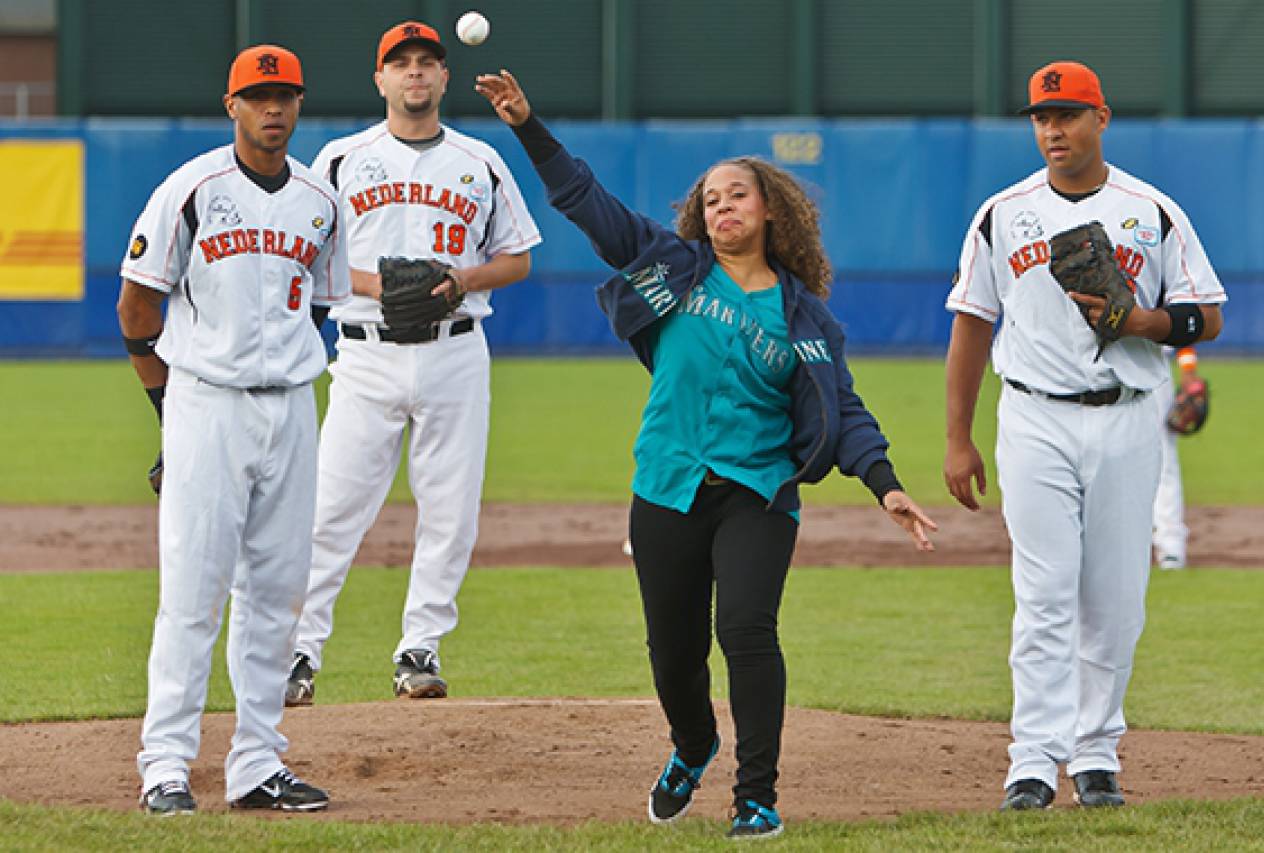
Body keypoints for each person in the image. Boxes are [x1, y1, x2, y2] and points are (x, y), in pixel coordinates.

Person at [475, 69, 937, 839]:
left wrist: (884, 484)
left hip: (757, 491)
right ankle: (694, 744)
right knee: (673, 654)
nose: (722, 205)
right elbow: (583, 200)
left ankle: (756, 794)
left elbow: (843, 408)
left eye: (738, 194)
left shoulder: (806, 317)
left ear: (771, 211)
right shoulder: (672, 267)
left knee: (748, 630)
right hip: (667, 482)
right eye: (711, 197)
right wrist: (528, 124)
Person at [943, 60, 1226, 811]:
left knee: (1116, 599)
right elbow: (971, 322)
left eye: (1067, 114)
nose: (1052, 129)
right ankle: (1032, 762)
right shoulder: (1003, 214)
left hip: (1130, 414)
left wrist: (1145, 323)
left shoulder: (1152, 210)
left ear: (1102, 118)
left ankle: (1096, 752)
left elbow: (1208, 314)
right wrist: (957, 437)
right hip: (1033, 415)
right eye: (1041, 117)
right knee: (1043, 595)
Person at [118, 45, 349, 815]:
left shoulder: (320, 198)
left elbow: (317, 302)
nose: (273, 109)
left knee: (277, 591)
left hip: (291, 406)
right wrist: (167, 415)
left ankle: (256, 762)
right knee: (193, 587)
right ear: (233, 106)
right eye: (259, 96)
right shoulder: (191, 189)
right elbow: (136, 309)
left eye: (285, 95)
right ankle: (166, 765)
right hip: (206, 402)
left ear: (299, 104)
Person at [285, 22, 541, 706]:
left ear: (443, 78)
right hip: (364, 358)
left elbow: (517, 258)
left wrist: (462, 280)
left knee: (450, 510)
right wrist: (374, 286)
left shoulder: (479, 160)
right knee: (330, 510)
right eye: (401, 64)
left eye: (427, 63)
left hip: (456, 351)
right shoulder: (340, 160)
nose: (415, 74)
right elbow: (307, 259)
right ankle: (297, 652)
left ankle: (419, 648)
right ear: (381, 80)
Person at [1153, 346, 1203, 570]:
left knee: (1164, 459)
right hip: (1096, 367)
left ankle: (1170, 545)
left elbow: (1180, 312)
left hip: (1152, 364)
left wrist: (1188, 371)